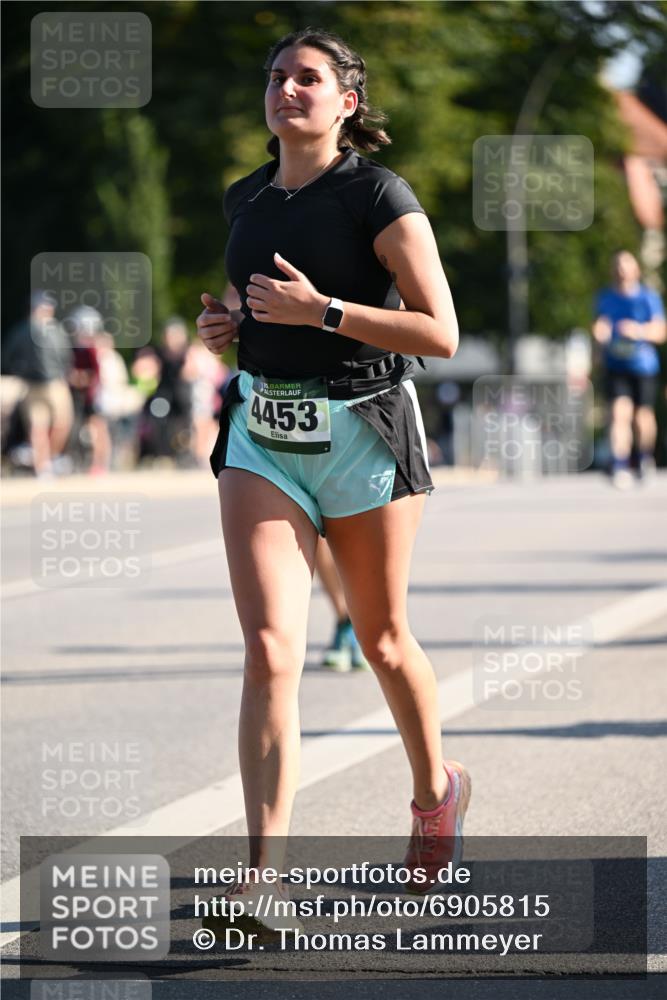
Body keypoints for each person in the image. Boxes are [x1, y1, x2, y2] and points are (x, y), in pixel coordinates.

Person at [196, 27, 467, 934]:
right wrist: (229, 326)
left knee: (384, 639)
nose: (287, 90)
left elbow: (439, 332)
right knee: (272, 649)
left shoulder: (378, 194)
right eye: (276, 76)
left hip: (364, 427)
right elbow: (254, 301)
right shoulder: (246, 195)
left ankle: (435, 795)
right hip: (262, 432)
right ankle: (260, 880)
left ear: (346, 101)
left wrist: (326, 313)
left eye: (308, 78)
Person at [223, 282, 368, 670]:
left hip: (354, 415)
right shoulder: (256, 226)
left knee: (384, 631)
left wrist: (321, 312)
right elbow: (240, 306)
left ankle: (362, 622)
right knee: (313, 537)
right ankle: (344, 619)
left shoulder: (362, 226)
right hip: (276, 424)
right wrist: (226, 323)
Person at [592, 250, 666, 488]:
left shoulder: (648, 298)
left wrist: (638, 331)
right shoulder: (605, 298)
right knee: (618, 413)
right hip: (616, 364)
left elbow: (661, 332)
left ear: (636, 269)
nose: (622, 271)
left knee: (642, 417)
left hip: (643, 365)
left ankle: (645, 458)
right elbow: (600, 326)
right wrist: (599, 339)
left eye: (627, 266)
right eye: (618, 266)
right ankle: (621, 464)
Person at [2, 291, 73, 477]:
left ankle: (48, 459)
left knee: (59, 424)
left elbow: (66, 357)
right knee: (39, 427)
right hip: (34, 385)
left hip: (53, 383)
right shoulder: (25, 331)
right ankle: (44, 465)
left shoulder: (54, 331)